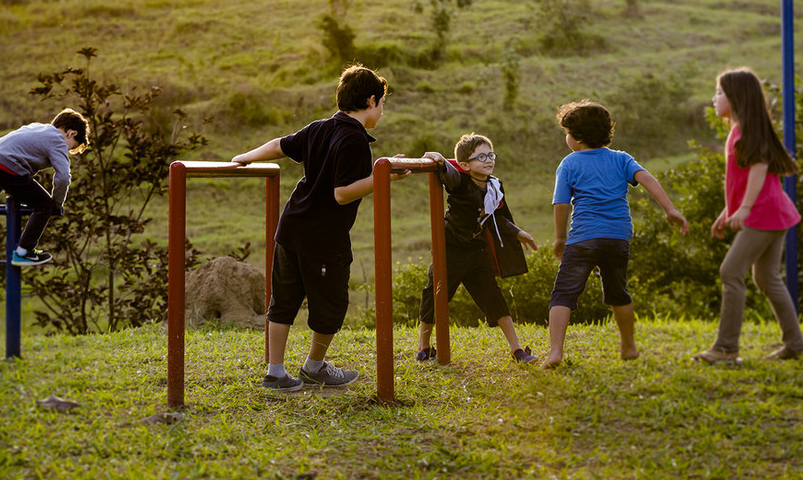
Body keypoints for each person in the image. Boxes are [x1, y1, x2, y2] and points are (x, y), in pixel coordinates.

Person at [232, 64, 408, 392]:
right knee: (333, 303)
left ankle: (276, 372)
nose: (382, 111)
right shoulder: (356, 140)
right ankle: (314, 366)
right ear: (371, 101)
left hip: (291, 227)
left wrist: (244, 157)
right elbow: (342, 194)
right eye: (383, 104)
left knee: (283, 300)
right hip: (323, 237)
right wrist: (383, 177)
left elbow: (278, 146)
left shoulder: (319, 127)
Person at [542, 100, 688, 367]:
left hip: (584, 237)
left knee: (563, 293)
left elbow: (561, 204)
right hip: (618, 236)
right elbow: (647, 179)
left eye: (567, 132)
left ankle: (555, 352)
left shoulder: (569, 163)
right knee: (618, 290)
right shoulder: (621, 158)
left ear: (577, 137)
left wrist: (560, 237)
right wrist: (669, 209)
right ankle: (629, 346)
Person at [693, 68, 803, 364]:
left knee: (730, 272)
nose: (714, 98)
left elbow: (758, 169)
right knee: (768, 278)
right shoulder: (741, 130)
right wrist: (728, 212)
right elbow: (741, 181)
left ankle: (726, 349)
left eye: (719, 93)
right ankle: (795, 346)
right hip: (772, 211)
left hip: (764, 213)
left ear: (736, 98)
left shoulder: (745, 132)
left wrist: (743, 210)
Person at [415, 135, 541, 365]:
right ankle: (423, 347)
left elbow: (496, 217)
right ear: (465, 165)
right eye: (480, 157)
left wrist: (518, 232)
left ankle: (517, 350)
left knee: (493, 296)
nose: (488, 160)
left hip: (476, 247)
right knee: (436, 292)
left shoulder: (495, 185)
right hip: (451, 247)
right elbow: (448, 174)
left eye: (490, 155)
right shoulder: (459, 181)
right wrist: (440, 160)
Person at [0, 108, 89, 266]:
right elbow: (63, 178)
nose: (67, 150)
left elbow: (22, 152)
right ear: (71, 134)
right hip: (5, 167)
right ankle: (23, 252)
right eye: (71, 148)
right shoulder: (58, 141)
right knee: (44, 204)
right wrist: (57, 204)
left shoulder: (38, 127)